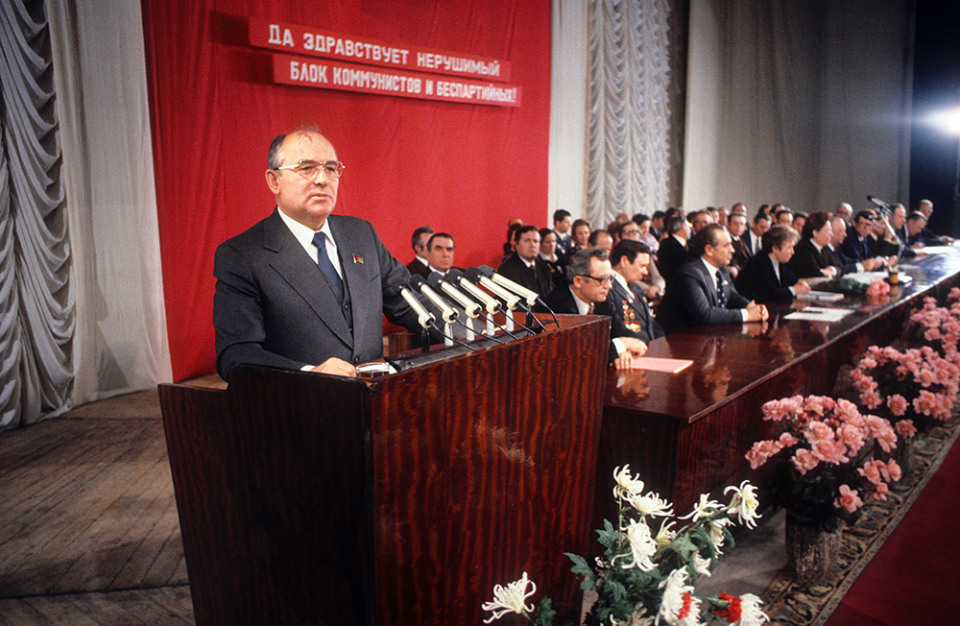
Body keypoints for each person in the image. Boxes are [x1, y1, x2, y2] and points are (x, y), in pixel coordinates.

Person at [213, 126, 423, 380]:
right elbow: (236, 355)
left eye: (331, 168)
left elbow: (413, 305)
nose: (322, 179)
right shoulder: (242, 256)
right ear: (274, 180)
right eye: (306, 168)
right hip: (302, 401)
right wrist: (311, 374)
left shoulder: (361, 234)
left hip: (374, 398)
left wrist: (463, 332)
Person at [538, 248, 648, 369]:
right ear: (578, 281)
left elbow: (624, 333)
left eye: (610, 279)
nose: (609, 286)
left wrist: (623, 352)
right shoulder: (555, 307)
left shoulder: (601, 298)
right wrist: (620, 344)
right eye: (602, 279)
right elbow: (577, 351)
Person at [657, 224, 769, 334]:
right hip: (679, 338)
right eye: (726, 245)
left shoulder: (722, 269)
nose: (732, 250)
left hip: (709, 335)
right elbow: (704, 315)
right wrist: (746, 315)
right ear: (709, 250)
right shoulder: (689, 274)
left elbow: (731, 296)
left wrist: (751, 306)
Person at [735, 226, 811, 303]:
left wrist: (800, 283)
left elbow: (792, 281)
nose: (792, 252)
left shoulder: (782, 263)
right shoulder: (758, 264)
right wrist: (794, 290)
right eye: (789, 248)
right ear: (775, 248)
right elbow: (769, 294)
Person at [608, 240, 664, 343]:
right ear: (624, 261)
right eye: (642, 266)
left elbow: (651, 326)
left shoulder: (636, 289)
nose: (645, 272)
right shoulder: (607, 290)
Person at [498, 225, 555, 297]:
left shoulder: (544, 267)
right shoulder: (506, 270)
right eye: (527, 241)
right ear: (516, 244)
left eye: (536, 241)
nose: (533, 245)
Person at [789, 211, 839, 279]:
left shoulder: (824, 248)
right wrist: (827, 272)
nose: (831, 234)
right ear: (815, 233)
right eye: (828, 231)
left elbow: (838, 267)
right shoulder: (803, 249)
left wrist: (831, 270)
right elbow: (815, 274)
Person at [656, 214, 692, 283]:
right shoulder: (667, 244)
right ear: (683, 226)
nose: (691, 229)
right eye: (688, 226)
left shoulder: (689, 245)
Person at [727, 211, 751, 276]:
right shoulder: (726, 241)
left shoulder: (742, 240)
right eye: (735, 223)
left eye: (742, 224)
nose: (739, 227)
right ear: (728, 224)